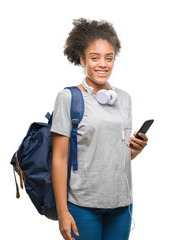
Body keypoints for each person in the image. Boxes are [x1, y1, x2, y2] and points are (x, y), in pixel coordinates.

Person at [51, 18, 148, 240]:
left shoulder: (124, 99)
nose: (102, 64)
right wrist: (62, 212)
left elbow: (112, 154)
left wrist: (136, 149)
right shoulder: (68, 98)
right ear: (82, 59)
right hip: (82, 205)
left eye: (109, 58)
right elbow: (59, 157)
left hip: (121, 204)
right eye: (95, 58)